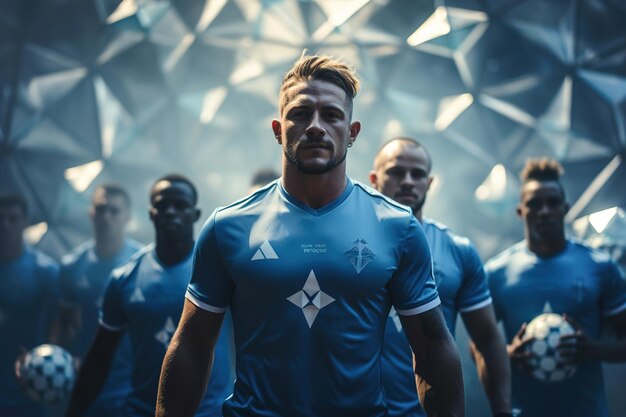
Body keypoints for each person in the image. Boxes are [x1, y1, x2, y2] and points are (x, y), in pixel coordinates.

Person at [156, 54, 464, 417]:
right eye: (301, 114)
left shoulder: (398, 226)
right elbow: (192, 344)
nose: (316, 126)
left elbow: (430, 349)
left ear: (352, 133)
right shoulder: (229, 226)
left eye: (331, 115)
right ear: (277, 129)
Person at [64, 175, 233, 417]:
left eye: (180, 205)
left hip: (209, 412)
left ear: (195, 214)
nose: (171, 212)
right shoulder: (125, 278)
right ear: (151, 213)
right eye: (163, 205)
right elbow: (98, 360)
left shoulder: (222, 270)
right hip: (142, 411)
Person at [369, 137, 512, 417]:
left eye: (418, 174)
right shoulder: (349, 246)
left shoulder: (458, 251)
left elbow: (487, 338)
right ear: (374, 179)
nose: (408, 181)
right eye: (397, 172)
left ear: (430, 183)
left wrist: (503, 412)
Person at [485, 158, 626, 417]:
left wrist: (594, 349)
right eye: (534, 204)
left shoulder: (599, 265)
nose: (544, 211)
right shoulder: (497, 272)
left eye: (552, 203)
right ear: (520, 211)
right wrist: (506, 354)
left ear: (565, 208)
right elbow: (478, 344)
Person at [52, 184, 141, 417]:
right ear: (91, 213)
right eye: (100, 209)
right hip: (88, 383)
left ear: (127, 217)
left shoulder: (143, 265)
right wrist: (51, 361)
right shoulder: (72, 266)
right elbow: (63, 324)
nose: (106, 217)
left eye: (114, 210)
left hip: (134, 385)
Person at [0, 194, 59, 417]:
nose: (5, 224)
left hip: (27, 389)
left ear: (25, 221)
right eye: (0, 218)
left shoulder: (44, 272)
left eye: (12, 218)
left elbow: (59, 329)